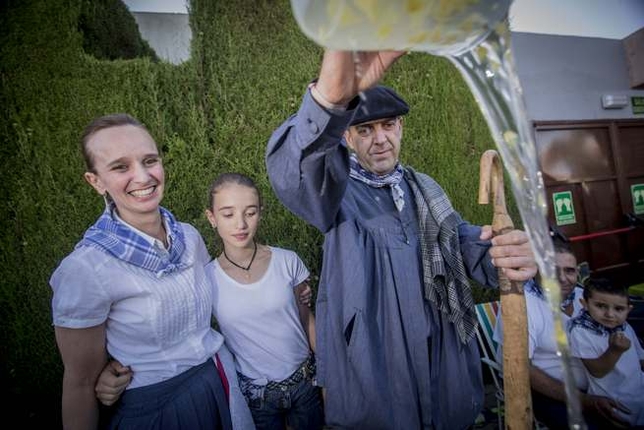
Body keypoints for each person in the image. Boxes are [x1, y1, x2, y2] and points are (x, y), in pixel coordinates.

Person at [265, 49, 537, 429]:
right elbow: (295, 169)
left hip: (443, 375)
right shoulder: (334, 194)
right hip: (375, 383)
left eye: (388, 125)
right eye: (365, 129)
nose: (380, 140)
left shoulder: (425, 189)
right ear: (346, 136)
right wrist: (328, 100)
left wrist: (502, 255)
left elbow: (459, 244)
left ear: (400, 128)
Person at [50, 113, 250, 430]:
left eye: (149, 160)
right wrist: (103, 373)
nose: (143, 177)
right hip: (156, 410)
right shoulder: (86, 269)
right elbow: (79, 384)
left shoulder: (189, 237)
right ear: (95, 181)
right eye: (120, 167)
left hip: (218, 385)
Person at [93, 173, 322, 430]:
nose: (240, 224)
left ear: (260, 212)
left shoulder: (287, 261)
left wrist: (331, 376)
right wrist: (110, 366)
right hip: (257, 396)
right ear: (211, 218)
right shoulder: (206, 279)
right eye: (228, 214)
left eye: (250, 212)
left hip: (305, 384)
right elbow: (173, 325)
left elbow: (307, 321)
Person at [494, 237, 628, 429]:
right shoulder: (520, 307)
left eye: (570, 271)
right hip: (550, 393)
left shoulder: (586, 298)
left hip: (600, 385)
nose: (563, 278)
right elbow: (521, 368)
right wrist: (584, 400)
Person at [569, 278, 644, 427]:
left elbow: (640, 358)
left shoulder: (623, 326)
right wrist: (614, 350)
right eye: (601, 306)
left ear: (628, 309)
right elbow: (597, 371)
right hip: (616, 402)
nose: (610, 314)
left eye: (619, 309)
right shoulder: (580, 331)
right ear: (584, 304)